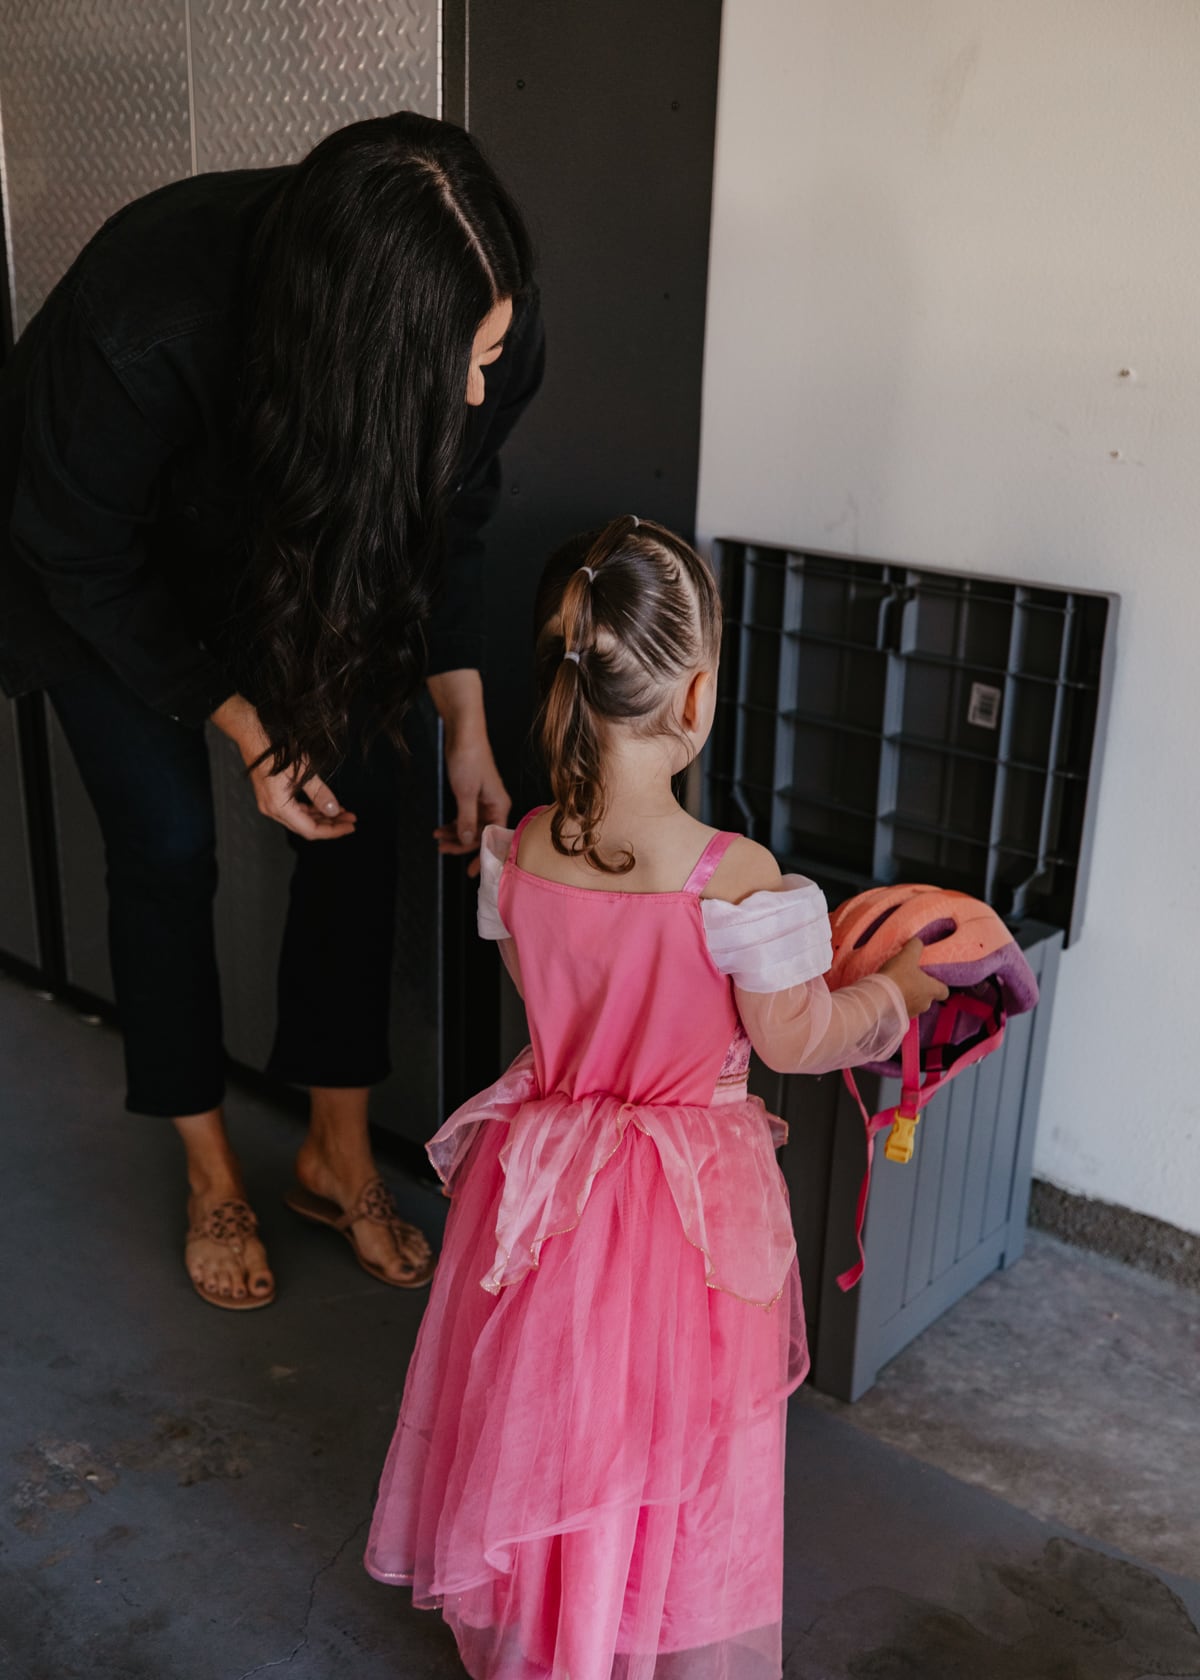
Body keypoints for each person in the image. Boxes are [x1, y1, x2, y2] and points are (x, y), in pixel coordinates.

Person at [364, 516, 947, 1678]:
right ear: (694, 699)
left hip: (546, 1191)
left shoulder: (518, 850)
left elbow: (547, 988)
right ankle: (637, 1639)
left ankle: (552, 1638)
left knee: (549, 1428)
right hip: (679, 1220)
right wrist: (896, 992)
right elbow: (797, 1037)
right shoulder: (733, 877)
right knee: (661, 1440)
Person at [0, 113, 544, 1309]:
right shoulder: (152, 314)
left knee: (359, 799)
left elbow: (452, 514)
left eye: (492, 351)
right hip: (104, 570)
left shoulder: (477, 324)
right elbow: (76, 550)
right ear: (354, 343)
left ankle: (332, 1149)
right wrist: (243, 725)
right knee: (167, 845)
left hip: (293, 549)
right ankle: (210, 1169)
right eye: (455, 361)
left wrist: (462, 710)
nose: (476, 383)